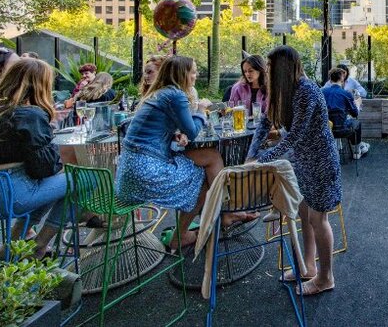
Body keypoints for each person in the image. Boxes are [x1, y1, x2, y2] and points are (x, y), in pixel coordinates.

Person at [115, 56, 253, 251]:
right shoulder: (175, 95)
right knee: (202, 179)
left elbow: (154, 130)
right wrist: (200, 110)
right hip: (146, 170)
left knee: (211, 156)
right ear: (183, 74)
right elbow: (193, 131)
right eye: (194, 71)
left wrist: (175, 134)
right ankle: (184, 235)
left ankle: (223, 214)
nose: (196, 76)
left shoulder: (159, 94)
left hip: (130, 168)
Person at [255, 46, 341, 296]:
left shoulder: (306, 91)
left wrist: (263, 158)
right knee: (304, 214)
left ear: (282, 68)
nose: (267, 71)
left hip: (321, 162)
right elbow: (267, 121)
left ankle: (326, 277)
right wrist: (255, 153)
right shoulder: (288, 91)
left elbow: (296, 134)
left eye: (270, 67)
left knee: (318, 219)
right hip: (304, 162)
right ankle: (307, 267)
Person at [0, 59, 66, 259]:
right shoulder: (30, 115)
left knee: (53, 186)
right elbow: (45, 169)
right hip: (10, 197)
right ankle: (38, 246)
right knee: (82, 180)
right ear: (40, 85)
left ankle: (12, 245)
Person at [322, 67, 369, 159]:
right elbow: (355, 114)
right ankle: (357, 151)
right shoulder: (346, 94)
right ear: (342, 78)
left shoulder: (322, 92)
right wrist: (358, 104)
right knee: (356, 124)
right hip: (342, 129)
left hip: (326, 129)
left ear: (330, 79)